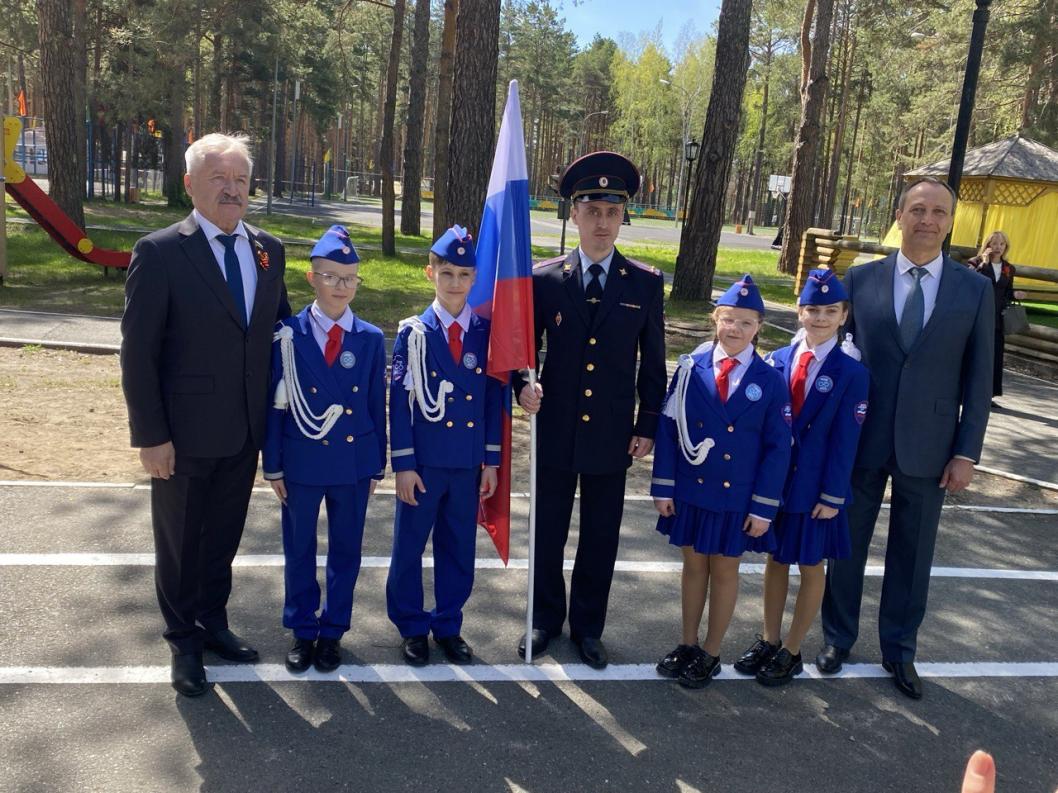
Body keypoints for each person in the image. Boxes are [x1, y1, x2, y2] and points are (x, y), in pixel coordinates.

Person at [120, 133, 290, 697]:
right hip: (183, 436)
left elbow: (278, 330)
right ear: (190, 184)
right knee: (180, 544)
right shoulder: (161, 251)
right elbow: (138, 352)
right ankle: (183, 642)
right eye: (219, 178)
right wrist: (151, 436)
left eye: (241, 179)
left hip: (244, 428)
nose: (232, 189)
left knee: (222, 538)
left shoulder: (269, 249)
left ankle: (213, 623)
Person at [817, 177, 994, 699]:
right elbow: (837, 359)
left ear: (950, 222)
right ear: (899, 216)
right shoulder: (861, 278)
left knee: (913, 555)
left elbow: (979, 379)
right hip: (862, 438)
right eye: (917, 209)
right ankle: (837, 638)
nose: (927, 220)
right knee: (846, 545)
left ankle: (899, 651)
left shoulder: (974, 289)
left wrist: (966, 451)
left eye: (939, 212)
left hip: (931, 445)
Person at [515, 151, 666, 669]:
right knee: (548, 531)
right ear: (573, 214)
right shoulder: (545, 279)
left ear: (624, 216)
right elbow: (524, 352)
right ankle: (543, 619)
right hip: (555, 427)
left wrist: (648, 424)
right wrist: (521, 387)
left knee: (600, 536)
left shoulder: (645, 283)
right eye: (592, 210)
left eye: (612, 211)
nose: (602, 223)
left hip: (611, 432)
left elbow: (654, 363)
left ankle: (588, 627)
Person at [651, 275, 791, 688]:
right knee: (693, 567)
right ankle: (687, 643)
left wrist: (764, 507)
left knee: (725, 571)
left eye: (746, 323)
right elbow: (668, 428)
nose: (736, 329)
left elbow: (778, 447)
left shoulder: (769, 380)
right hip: (693, 489)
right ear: (715, 319)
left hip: (738, 496)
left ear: (759, 328)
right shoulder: (691, 369)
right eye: (729, 319)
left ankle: (711, 653)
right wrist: (664, 485)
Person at [733, 269, 869, 686]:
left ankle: (792, 650)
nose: (820, 318)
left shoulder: (852, 373)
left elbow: (847, 441)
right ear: (799, 312)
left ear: (844, 316)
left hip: (815, 488)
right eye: (812, 309)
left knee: (810, 565)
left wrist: (832, 493)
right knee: (776, 561)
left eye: (830, 311)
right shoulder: (777, 360)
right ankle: (770, 640)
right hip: (777, 485)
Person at [261, 226, 386, 673]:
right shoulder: (287, 335)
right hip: (301, 459)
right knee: (299, 548)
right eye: (331, 277)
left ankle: (333, 631)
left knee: (346, 551)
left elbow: (376, 404)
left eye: (349, 278)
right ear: (312, 279)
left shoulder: (369, 337)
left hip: (353, 462)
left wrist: (377, 465)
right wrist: (272, 464)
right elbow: (275, 404)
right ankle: (302, 629)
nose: (341, 287)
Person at [386, 225, 501, 666]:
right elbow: (400, 402)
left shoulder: (484, 334)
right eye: (446, 272)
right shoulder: (413, 334)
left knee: (458, 547)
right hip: (425, 463)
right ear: (429, 273)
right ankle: (412, 626)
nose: (455, 283)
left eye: (464, 275)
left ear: (475, 279)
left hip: (467, 463)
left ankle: (449, 623)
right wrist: (404, 464)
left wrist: (490, 461)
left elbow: (493, 400)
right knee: (410, 546)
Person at [966, 231, 1028, 407]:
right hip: (977, 316)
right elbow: (968, 280)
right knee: (974, 354)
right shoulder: (976, 263)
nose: (998, 247)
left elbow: (1007, 292)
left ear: (1005, 247)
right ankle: (967, 392)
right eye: (994, 243)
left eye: (1001, 244)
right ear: (987, 245)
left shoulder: (1009, 268)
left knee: (994, 356)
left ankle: (989, 396)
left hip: (997, 319)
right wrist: (983, 264)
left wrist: (1015, 293)